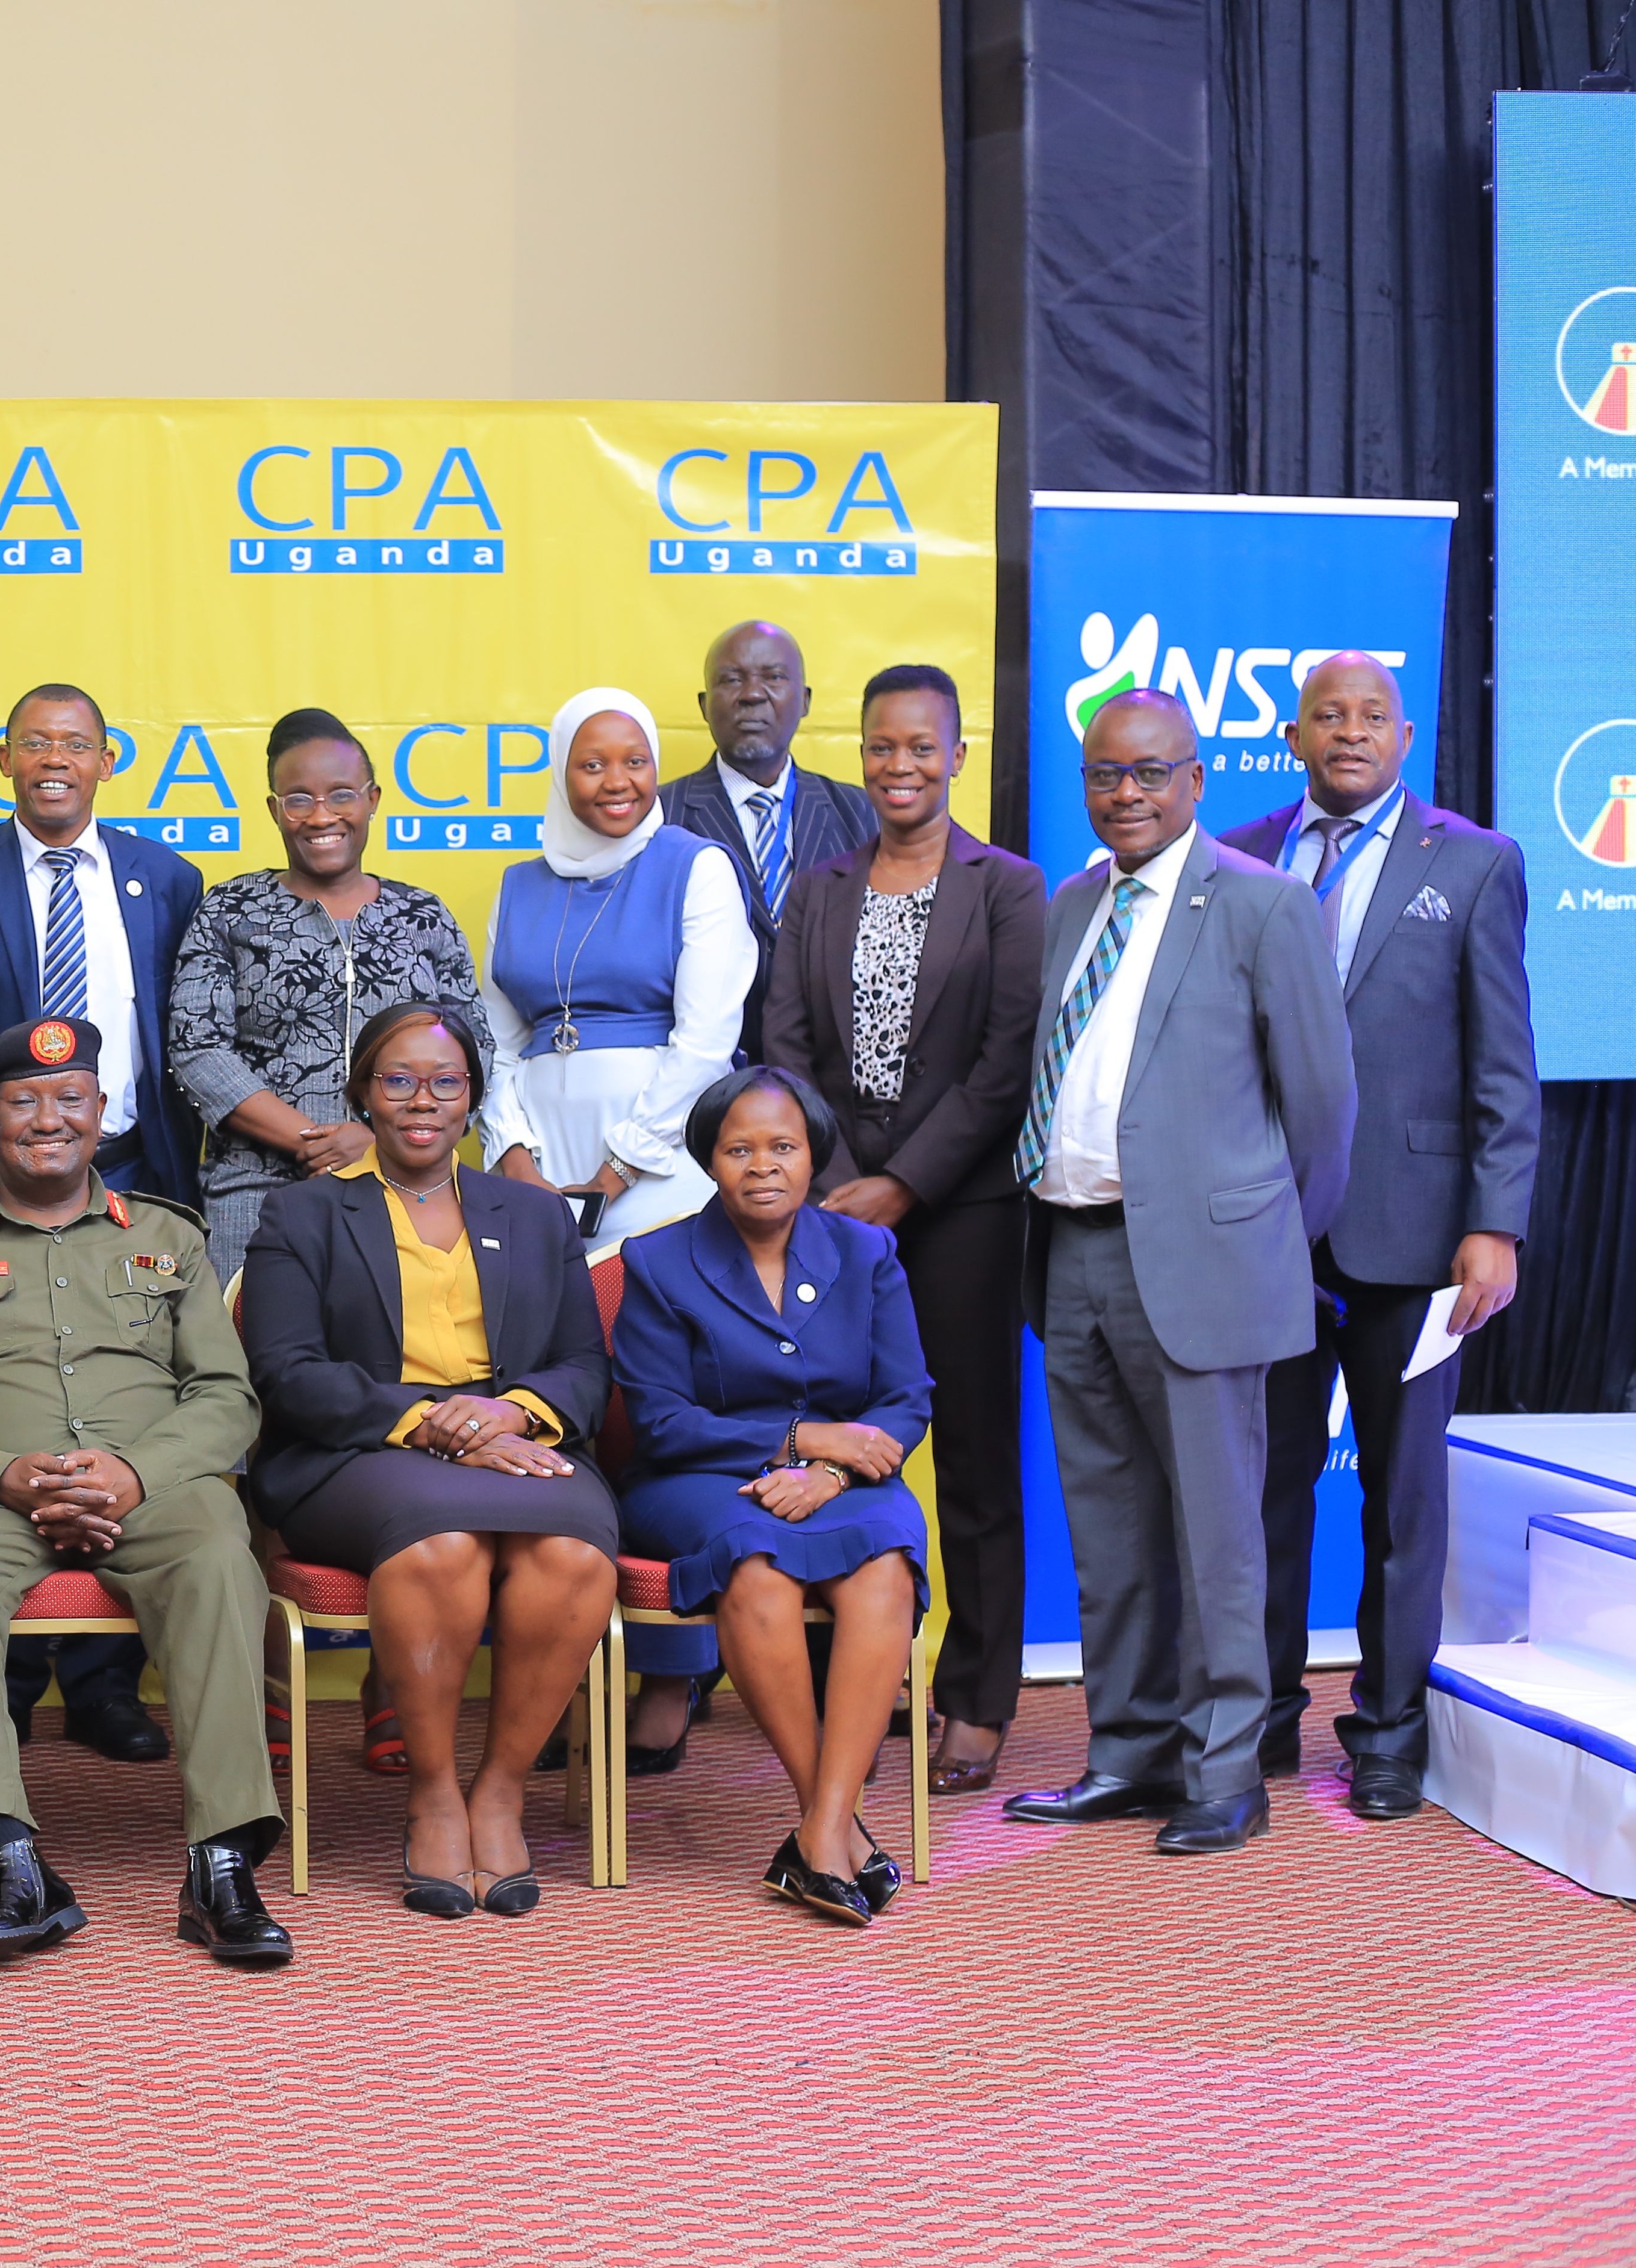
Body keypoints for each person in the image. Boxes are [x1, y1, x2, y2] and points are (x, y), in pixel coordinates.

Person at [0, 1017, 289, 1972]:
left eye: (71, 1100)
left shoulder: (168, 1239)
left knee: (221, 1555)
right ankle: (13, 1868)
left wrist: (136, 1473)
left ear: (103, 1116)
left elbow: (227, 1396)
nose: (47, 1119)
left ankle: (222, 1867)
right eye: (23, 1102)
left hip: (152, 1487)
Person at [1004, 689, 1355, 1856]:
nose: (1128, 795)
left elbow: (1321, 1107)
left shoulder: (1265, 905)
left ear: (1197, 781)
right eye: (1108, 775)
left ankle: (1225, 1772)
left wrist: (1259, 1245)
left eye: (1151, 774)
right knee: (1108, 1528)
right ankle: (1130, 1754)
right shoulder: (1071, 905)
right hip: (1073, 1247)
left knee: (1217, 1536)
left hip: (1206, 1266)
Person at [1224, 651, 1536, 1819]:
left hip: (1419, 1243)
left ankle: (1391, 1735)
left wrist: (1494, 1224)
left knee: (1404, 1501)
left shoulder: (1477, 861)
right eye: (1326, 717)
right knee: (1265, 1492)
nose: (1349, 733)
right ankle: (1256, 1727)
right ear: (1293, 737)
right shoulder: (1240, 855)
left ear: (1407, 738)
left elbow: (1504, 1065)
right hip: (1263, 1235)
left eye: (1372, 717)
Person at [237, 1004, 617, 1918]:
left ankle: (502, 1790)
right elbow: (286, 1373)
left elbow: (581, 1367)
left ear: (474, 1099)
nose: (422, 1101)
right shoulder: (303, 1211)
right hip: (356, 1451)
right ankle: (436, 1792)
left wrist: (506, 1416)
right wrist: (431, 1421)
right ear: (364, 1093)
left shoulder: (533, 1214)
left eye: (446, 1083)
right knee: (443, 1543)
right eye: (398, 1080)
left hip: (516, 1441)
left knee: (570, 1552)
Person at [0, 683, 204, 1762]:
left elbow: (179, 1035)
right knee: (18, 1390)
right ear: (6, 761)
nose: (55, 760)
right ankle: (14, 1673)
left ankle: (109, 1683)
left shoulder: (167, 878)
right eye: (35, 744)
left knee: (119, 1401)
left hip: (132, 1170)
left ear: (108, 758)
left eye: (75, 744)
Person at [761, 665, 1045, 1793]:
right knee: (832, 1443)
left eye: (923, 747)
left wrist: (902, 1187)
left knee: (973, 1458)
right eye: (882, 747)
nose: (901, 767)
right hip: (830, 1213)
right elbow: (783, 1044)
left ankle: (976, 1697)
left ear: (959, 757)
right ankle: (858, 1683)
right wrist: (837, 1179)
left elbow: (1005, 1064)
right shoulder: (819, 887)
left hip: (962, 1212)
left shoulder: (1008, 889)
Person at [476, 685, 755, 1767]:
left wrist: (617, 1162)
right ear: (562, 771)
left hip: (660, 1162)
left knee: (650, 1402)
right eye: (593, 764)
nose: (617, 783)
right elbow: (493, 1036)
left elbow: (708, 1036)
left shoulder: (696, 868)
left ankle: (674, 1677)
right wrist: (512, 1156)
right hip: (537, 1162)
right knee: (542, 1405)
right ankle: (551, 1668)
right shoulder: (515, 884)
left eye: (634, 761)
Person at [614, 1068, 933, 1926]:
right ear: (710, 1161)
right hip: (697, 1482)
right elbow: (661, 1422)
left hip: (849, 1481)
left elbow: (905, 1399)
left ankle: (822, 1834)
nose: (764, 1165)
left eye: (784, 1147)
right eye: (741, 1149)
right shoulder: (658, 1259)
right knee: (756, 1566)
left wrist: (830, 1471)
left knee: (885, 1572)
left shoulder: (866, 1253)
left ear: (813, 1157)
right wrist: (801, 1441)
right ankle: (830, 1823)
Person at [170, 708, 485, 1279]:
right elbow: (199, 1048)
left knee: (403, 1351)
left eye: (341, 795)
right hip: (257, 1189)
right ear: (273, 809)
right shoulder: (230, 910)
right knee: (253, 1354)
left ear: (373, 799)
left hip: (409, 1186)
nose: (322, 817)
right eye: (299, 799)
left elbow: (473, 1049)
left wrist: (379, 1141)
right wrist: (317, 1141)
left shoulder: (421, 915)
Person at [660, 619, 876, 1062]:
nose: (752, 694)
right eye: (731, 680)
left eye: (774, 678)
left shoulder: (860, 812)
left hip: (831, 1082)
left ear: (806, 701)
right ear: (704, 706)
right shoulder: (660, 819)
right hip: (702, 1085)